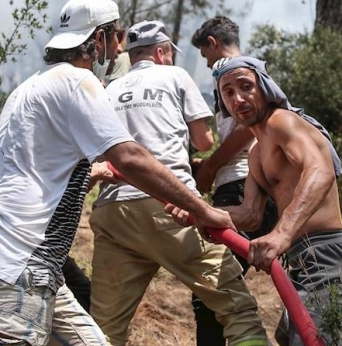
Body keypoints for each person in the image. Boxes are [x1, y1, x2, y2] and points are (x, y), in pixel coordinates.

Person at [0, 0, 236, 346]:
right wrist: (203, 210)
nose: (119, 49)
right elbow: (130, 157)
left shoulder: (30, 87)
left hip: (28, 261)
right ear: (99, 38)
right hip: (18, 258)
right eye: (117, 36)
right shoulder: (77, 82)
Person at [89, 20, 268, 346]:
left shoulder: (110, 88)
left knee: (103, 330)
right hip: (171, 207)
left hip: (113, 212)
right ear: (161, 52)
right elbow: (202, 142)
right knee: (238, 311)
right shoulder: (174, 75)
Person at [213, 56, 342, 346]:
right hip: (301, 261)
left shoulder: (282, 121)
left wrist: (282, 233)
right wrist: (200, 211)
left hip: (329, 254)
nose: (238, 98)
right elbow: (250, 215)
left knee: (307, 341)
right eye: (228, 92)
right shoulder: (255, 154)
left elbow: (321, 171)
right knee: (289, 336)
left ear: (265, 88)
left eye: (246, 87)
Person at [188, 16, 279, 345]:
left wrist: (211, 166)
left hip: (238, 186)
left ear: (212, 44)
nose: (207, 63)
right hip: (251, 184)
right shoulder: (253, 70)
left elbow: (244, 131)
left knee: (211, 291)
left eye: (204, 55)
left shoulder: (228, 70)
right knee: (219, 287)